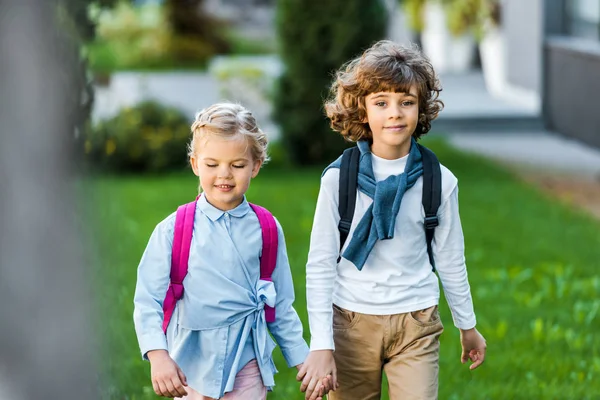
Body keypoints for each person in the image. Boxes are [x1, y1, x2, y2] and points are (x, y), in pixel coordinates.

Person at [296, 41, 487, 400]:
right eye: (381, 103)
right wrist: (321, 344)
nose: (395, 113)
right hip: (350, 323)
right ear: (362, 110)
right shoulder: (339, 180)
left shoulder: (439, 180)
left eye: (407, 102)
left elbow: (450, 259)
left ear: (421, 108)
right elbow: (320, 264)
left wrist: (468, 325)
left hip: (416, 322)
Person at [133, 103, 318, 400]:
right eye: (212, 164)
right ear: (195, 164)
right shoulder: (173, 230)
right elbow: (148, 300)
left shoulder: (266, 229)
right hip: (189, 362)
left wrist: (302, 358)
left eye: (237, 165)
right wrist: (158, 356)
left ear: (255, 166)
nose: (224, 174)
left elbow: (279, 303)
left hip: (247, 360)